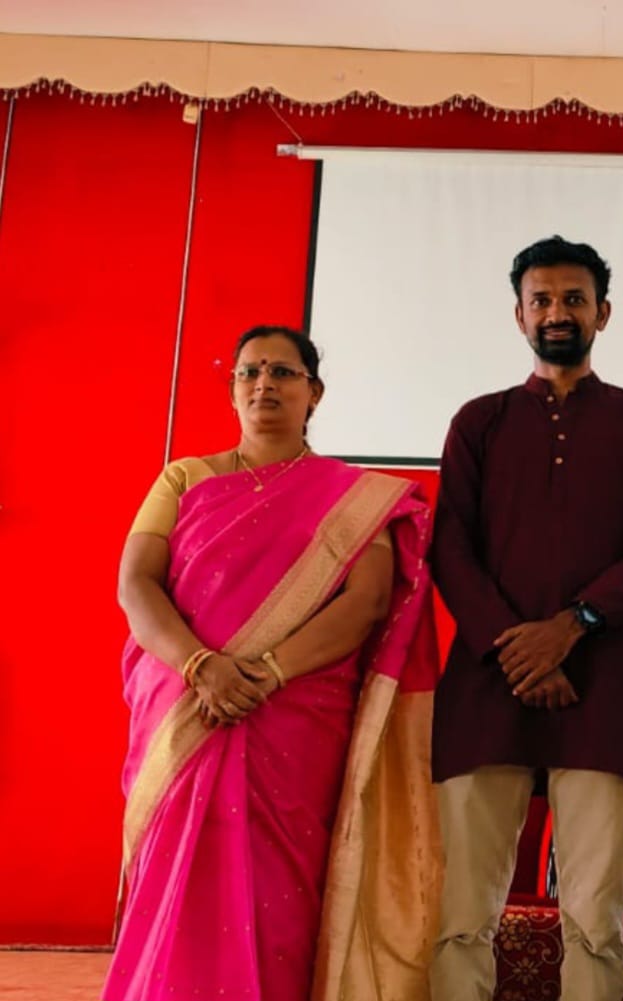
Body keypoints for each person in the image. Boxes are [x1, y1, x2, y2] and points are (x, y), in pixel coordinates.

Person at [102, 325, 441, 1001]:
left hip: (293, 719)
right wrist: (202, 667)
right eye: (250, 371)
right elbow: (135, 583)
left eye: (284, 373)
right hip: (187, 708)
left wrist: (271, 672)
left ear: (315, 393)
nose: (264, 384)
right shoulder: (184, 477)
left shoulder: (352, 498)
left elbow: (367, 602)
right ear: (231, 389)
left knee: (277, 893)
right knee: (175, 878)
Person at [429, 235, 623, 1001]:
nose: (556, 312)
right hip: (487, 684)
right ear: (518, 315)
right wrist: (516, 652)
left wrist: (569, 627)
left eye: (573, 298)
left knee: (596, 918)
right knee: (460, 913)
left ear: (602, 312)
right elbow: (450, 548)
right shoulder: (479, 421)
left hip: (603, 685)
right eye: (540, 299)